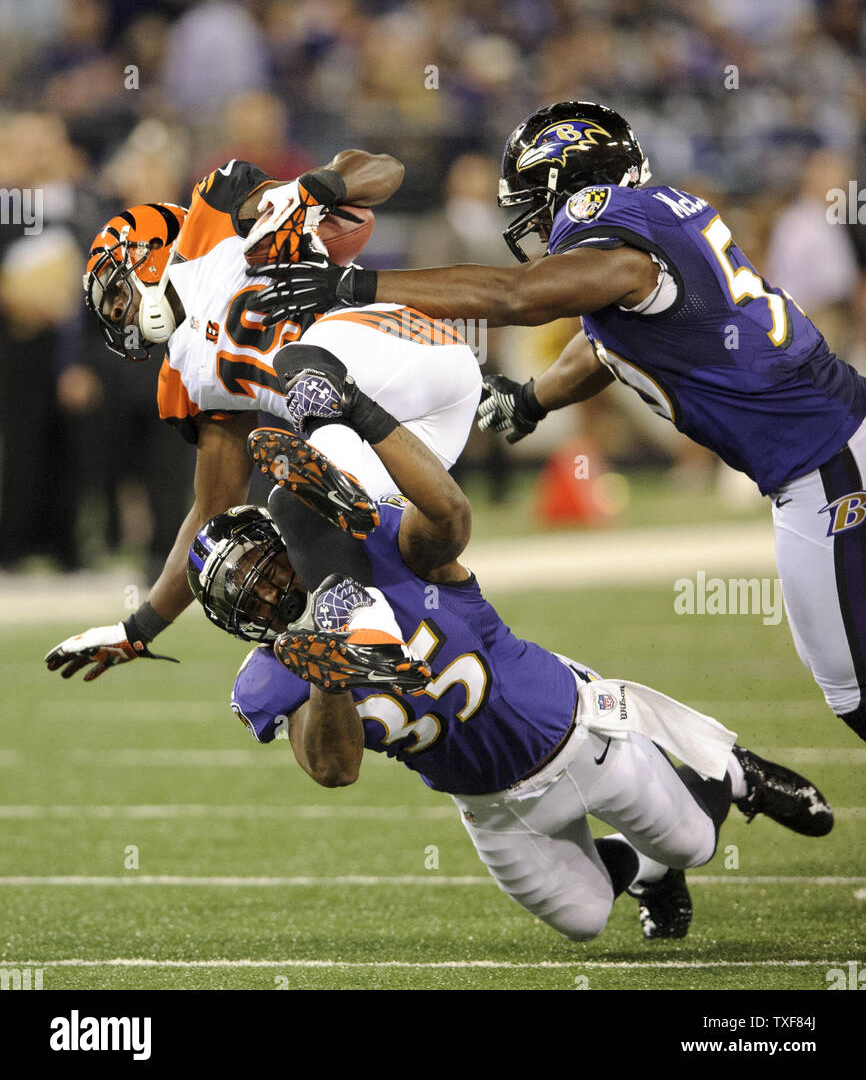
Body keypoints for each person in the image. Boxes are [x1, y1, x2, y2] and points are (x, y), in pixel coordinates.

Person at [251, 101, 866, 743]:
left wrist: (356, 287)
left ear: (566, 183)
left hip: (824, 458)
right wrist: (531, 399)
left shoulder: (600, 221)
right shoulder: (660, 221)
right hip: (829, 442)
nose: (531, 223)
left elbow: (521, 297)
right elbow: (607, 344)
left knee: (849, 683)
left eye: (531, 201)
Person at [183, 358, 832, 945]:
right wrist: (329, 675)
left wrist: (359, 412)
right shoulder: (277, 675)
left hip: (573, 730)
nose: (269, 592)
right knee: (585, 920)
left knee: (693, 841)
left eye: (264, 569)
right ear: (238, 625)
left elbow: (449, 522)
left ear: (283, 543)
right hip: (490, 805)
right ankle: (643, 871)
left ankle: (735, 774)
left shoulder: (373, 543)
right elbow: (335, 770)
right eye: (248, 598)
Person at [44, 150, 480, 682]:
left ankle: (341, 492)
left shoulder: (217, 218)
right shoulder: (183, 376)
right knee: (288, 503)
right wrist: (138, 628)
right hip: (415, 437)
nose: (120, 315)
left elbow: (386, 170)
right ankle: (371, 635)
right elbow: (213, 511)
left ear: (151, 253)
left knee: (304, 383)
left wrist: (309, 190)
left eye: (117, 294)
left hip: (401, 353)